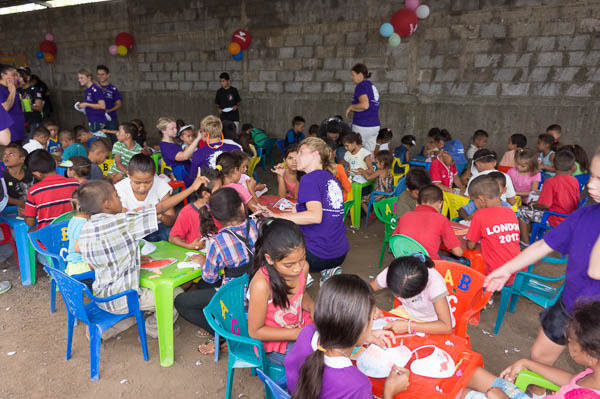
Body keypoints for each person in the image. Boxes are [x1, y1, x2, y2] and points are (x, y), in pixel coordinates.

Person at [485, 147, 600, 399]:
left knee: (594, 376)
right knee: (539, 356)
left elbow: (596, 268)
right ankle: (537, 394)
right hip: (570, 302)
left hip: (597, 317)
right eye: (592, 175)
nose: (591, 185)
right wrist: (506, 269)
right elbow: (543, 244)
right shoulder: (587, 214)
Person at [76, 178, 199, 340]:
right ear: (107, 204)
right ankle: (154, 328)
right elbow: (160, 207)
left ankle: (107, 329)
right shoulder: (122, 222)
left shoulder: (86, 228)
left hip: (101, 295)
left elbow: (93, 263)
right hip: (124, 298)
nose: (119, 198)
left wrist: (133, 258)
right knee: (174, 294)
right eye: (116, 196)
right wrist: (192, 188)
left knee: (142, 298)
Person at [285, 274, 408, 399]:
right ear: (362, 327)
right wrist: (389, 391)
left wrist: (361, 336)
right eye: (372, 320)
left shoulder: (307, 333)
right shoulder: (357, 386)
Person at [175, 187, 258, 355]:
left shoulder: (218, 242)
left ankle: (224, 333)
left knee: (181, 302)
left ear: (216, 218)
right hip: (258, 289)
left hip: (234, 299)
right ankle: (225, 326)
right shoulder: (257, 225)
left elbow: (210, 277)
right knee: (201, 290)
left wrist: (204, 261)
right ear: (242, 207)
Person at [267, 138, 348, 287]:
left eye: (301, 153)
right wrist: (297, 210)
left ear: (315, 154)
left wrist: (277, 216)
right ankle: (328, 271)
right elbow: (327, 213)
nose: (297, 157)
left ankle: (301, 272)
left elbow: (315, 216)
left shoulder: (308, 179)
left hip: (316, 255)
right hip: (339, 252)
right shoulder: (330, 178)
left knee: (272, 237)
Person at [248, 219, 314, 365]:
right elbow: (255, 331)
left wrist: (313, 308)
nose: (297, 268)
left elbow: (301, 297)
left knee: (335, 343)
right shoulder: (261, 285)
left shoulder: (304, 268)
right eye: (289, 265)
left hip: (299, 326)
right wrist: (299, 334)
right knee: (317, 361)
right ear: (270, 259)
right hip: (274, 344)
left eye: (302, 259)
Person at [372, 254, 454, 334]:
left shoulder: (434, 284)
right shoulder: (394, 272)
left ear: (422, 288)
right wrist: (372, 308)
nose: (395, 296)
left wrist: (410, 326)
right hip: (407, 313)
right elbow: (366, 290)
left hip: (434, 323)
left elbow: (446, 327)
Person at [465, 175, 521, 282]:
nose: (474, 204)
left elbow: (470, 245)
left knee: (463, 261)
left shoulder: (480, 214)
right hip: (518, 271)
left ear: (481, 199)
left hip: (496, 272)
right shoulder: (510, 212)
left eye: (473, 201)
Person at [518, 148, 580, 245]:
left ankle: (525, 242)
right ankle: (536, 235)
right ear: (573, 167)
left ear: (553, 164)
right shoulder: (574, 180)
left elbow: (545, 206)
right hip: (569, 217)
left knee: (522, 211)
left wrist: (533, 205)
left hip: (553, 218)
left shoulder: (550, 182)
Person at [115, 154, 176, 242]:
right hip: (132, 231)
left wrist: (160, 216)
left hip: (156, 228)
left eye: (148, 182)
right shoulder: (120, 188)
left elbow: (171, 220)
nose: (142, 188)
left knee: (170, 233)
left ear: (154, 175)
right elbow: (122, 223)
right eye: (137, 183)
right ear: (128, 175)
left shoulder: (161, 185)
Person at [393, 184, 463, 260]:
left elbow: (394, 241)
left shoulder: (405, 216)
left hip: (404, 261)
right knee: (463, 263)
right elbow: (458, 252)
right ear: (440, 204)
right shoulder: (441, 219)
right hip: (428, 265)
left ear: (417, 204)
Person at [24, 149, 80, 230]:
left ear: (36, 174)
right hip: (73, 232)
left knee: (30, 231)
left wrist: (25, 215)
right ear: (55, 163)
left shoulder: (34, 190)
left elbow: (30, 222)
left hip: (49, 238)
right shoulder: (75, 183)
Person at [169, 168, 222, 250]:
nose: (222, 192)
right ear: (205, 194)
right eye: (219, 190)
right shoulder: (187, 212)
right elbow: (173, 238)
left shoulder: (221, 207)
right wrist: (190, 246)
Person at [188, 115, 240, 183]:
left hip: (210, 191)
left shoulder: (198, 154)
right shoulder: (236, 148)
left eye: (201, 130)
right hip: (233, 189)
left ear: (204, 133)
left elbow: (193, 178)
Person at [345, 64, 380, 152]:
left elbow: (365, 105)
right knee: (369, 153)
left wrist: (351, 107)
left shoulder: (361, 86)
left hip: (363, 125)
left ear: (360, 75)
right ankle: (371, 166)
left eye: (353, 75)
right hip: (374, 125)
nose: (352, 78)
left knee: (355, 152)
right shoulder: (371, 86)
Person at [64, 191, 91, 277]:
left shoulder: (73, 220)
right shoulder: (85, 224)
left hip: (72, 265)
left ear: (72, 205)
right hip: (82, 266)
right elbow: (77, 248)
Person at [359, 150, 394, 215]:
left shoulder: (380, 171)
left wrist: (362, 171)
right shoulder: (389, 170)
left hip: (380, 195)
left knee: (361, 200)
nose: (376, 164)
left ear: (382, 163)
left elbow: (368, 178)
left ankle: (369, 215)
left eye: (377, 162)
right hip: (389, 194)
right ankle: (375, 212)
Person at [76, 69, 107, 136]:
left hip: (97, 120)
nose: (79, 80)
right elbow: (91, 105)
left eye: (81, 78)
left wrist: (86, 104)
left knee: (96, 141)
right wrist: (82, 107)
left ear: (89, 77)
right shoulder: (88, 90)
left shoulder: (95, 89)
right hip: (92, 119)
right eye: (78, 78)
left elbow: (102, 106)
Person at [3, 143, 34, 208]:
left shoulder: (31, 175)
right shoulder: (2, 177)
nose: (6, 156)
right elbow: (2, 197)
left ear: (22, 159)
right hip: (8, 212)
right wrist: (18, 202)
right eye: (4, 154)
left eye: (11, 154)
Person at [0, 64, 25, 143]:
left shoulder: (11, 87)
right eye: (13, 75)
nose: (16, 78)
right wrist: (12, 91)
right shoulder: (3, 89)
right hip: (10, 131)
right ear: (3, 75)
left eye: (17, 75)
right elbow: (5, 108)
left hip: (18, 128)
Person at [17, 67, 43, 139]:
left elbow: (39, 108)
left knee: (32, 141)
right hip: (22, 122)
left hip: (33, 121)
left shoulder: (34, 90)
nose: (18, 79)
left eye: (20, 76)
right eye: (16, 76)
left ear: (28, 78)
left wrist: (28, 105)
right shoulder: (17, 91)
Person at [96, 65, 122, 133]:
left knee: (115, 138)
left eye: (103, 74)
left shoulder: (113, 89)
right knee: (96, 138)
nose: (100, 76)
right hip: (97, 118)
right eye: (98, 74)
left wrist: (109, 110)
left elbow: (119, 104)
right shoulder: (94, 88)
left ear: (108, 75)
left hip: (111, 118)